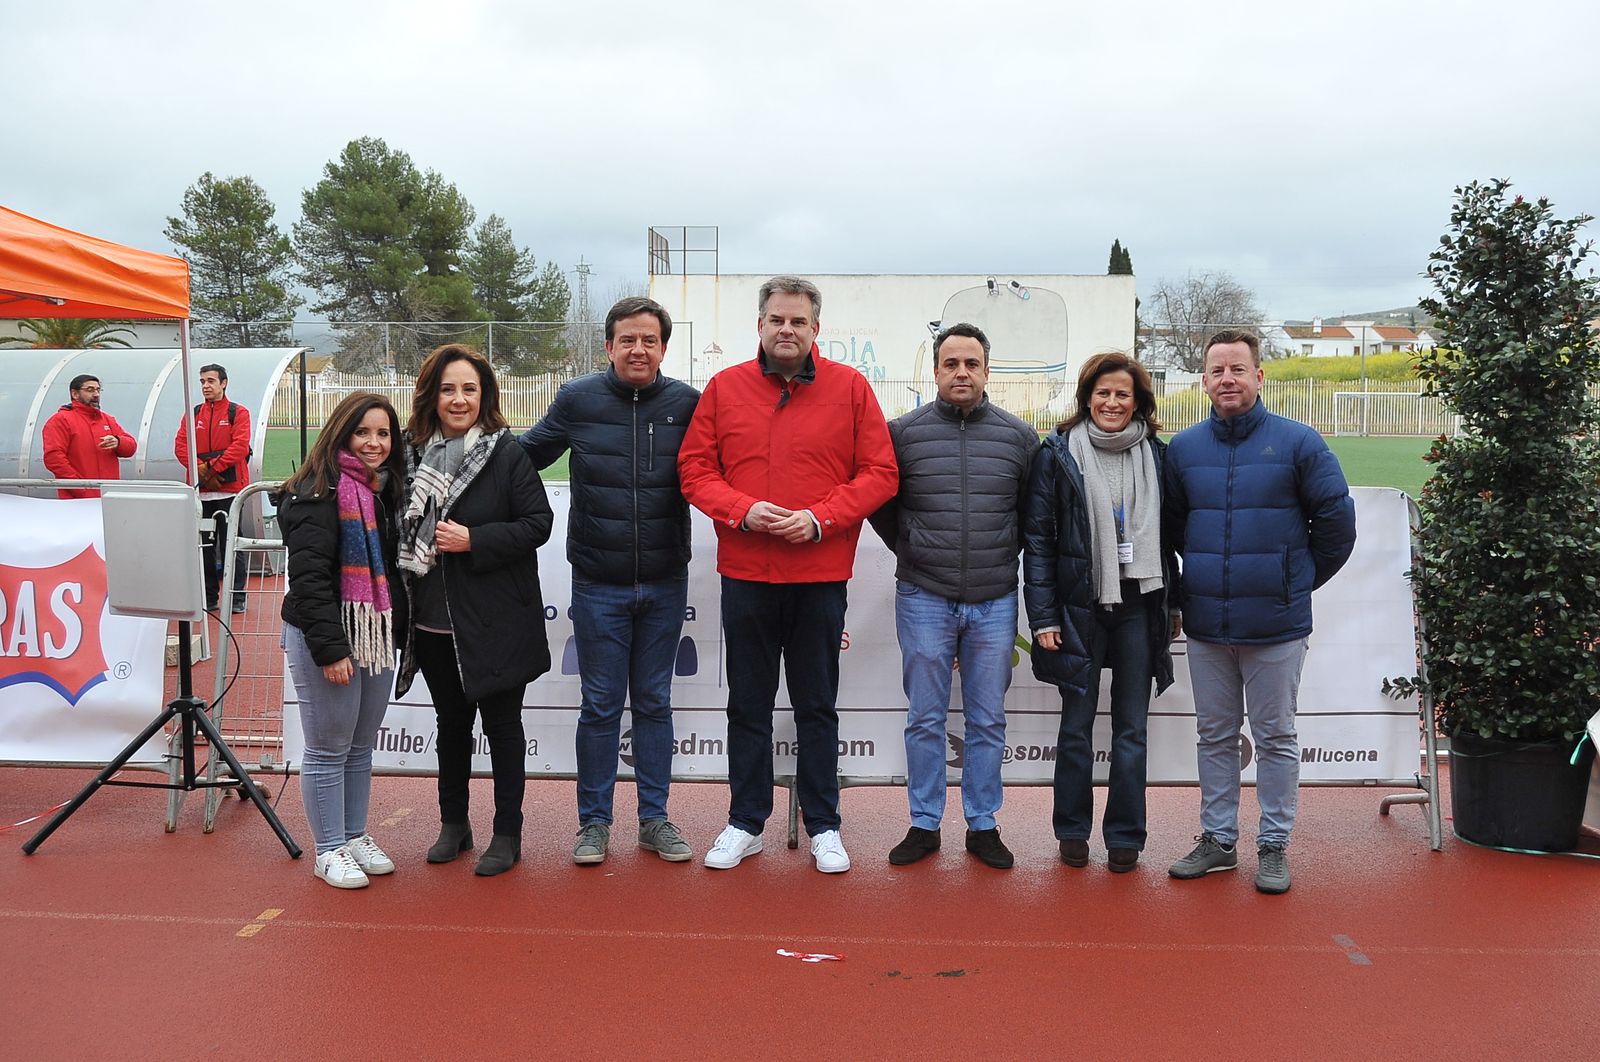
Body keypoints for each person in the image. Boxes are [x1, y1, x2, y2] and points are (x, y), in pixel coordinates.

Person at [679, 275, 898, 874]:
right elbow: (695, 469)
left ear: (815, 330)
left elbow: (880, 473)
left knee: (816, 706)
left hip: (819, 576)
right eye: (777, 319)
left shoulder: (851, 389)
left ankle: (824, 825)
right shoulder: (724, 389)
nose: (786, 330)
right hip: (746, 574)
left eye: (798, 322)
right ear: (759, 324)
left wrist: (821, 520)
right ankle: (746, 822)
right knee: (747, 704)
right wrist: (742, 509)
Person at [1163, 328, 1356, 894]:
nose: (1228, 379)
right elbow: (1172, 530)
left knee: (1275, 737)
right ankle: (1218, 841)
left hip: (1276, 626)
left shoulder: (1300, 442)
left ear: (1258, 376)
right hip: (1207, 627)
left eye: (1238, 369)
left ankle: (1273, 846)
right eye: (1217, 370)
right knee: (1214, 736)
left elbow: (1337, 527)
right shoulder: (1183, 449)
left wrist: (1290, 583)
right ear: (1203, 381)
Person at [518, 297, 701, 866]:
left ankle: (655, 820)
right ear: (608, 346)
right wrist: (462, 457)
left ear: (664, 348)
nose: (638, 349)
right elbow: (524, 457)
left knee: (654, 702)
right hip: (598, 584)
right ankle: (593, 823)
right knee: (599, 704)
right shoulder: (578, 399)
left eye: (649, 340)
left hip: (667, 582)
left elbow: (728, 469)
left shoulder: (689, 405)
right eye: (627, 340)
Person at [868, 323, 1038, 869]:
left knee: (988, 720)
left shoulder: (1018, 438)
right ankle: (924, 823)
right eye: (950, 364)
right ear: (935, 371)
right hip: (924, 596)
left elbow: (1031, 520)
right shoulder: (903, 434)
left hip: (994, 599)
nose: (961, 372)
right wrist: (914, 550)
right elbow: (882, 508)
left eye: (971, 364)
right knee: (925, 717)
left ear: (987, 371)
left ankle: (983, 825)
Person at [396, 344, 553, 877]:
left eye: (468, 389)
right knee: (451, 725)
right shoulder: (409, 453)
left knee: (504, 728)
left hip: (496, 621)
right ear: (431, 396)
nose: (458, 399)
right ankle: (453, 824)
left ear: (484, 395)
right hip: (433, 621)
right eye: (447, 389)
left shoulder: (506, 453)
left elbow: (539, 524)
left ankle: (507, 833)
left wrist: (475, 539)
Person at [1023, 351, 1179, 874]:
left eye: (1123, 394)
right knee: (1076, 727)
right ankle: (1071, 830)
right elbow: (1039, 543)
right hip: (1077, 609)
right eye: (1103, 392)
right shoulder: (1057, 453)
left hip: (1140, 604)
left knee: (1132, 729)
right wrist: (1043, 616)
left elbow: (1173, 538)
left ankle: (1125, 837)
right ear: (1087, 396)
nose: (1112, 402)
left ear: (1139, 401)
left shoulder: (1158, 455)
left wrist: (1172, 603)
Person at [277, 391, 409, 890]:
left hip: (374, 634)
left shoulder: (382, 489)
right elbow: (309, 580)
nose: (374, 443)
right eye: (363, 432)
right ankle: (328, 848)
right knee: (329, 747)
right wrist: (331, 650)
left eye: (383, 433)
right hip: (327, 634)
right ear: (341, 433)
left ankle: (354, 835)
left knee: (359, 746)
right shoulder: (314, 492)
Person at [175, 363, 253, 613]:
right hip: (202, 492)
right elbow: (180, 446)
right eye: (202, 381)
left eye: (210, 380)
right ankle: (209, 596)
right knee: (206, 547)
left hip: (231, 493)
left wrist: (212, 469)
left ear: (223, 383)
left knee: (232, 543)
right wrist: (200, 469)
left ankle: (237, 596)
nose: (206, 386)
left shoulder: (237, 412)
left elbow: (240, 447)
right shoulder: (193, 413)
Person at [41, 374, 136, 498]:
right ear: (75, 394)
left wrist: (119, 442)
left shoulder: (107, 420)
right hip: (77, 500)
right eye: (90, 390)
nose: (96, 394)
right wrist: (80, 488)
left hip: (107, 497)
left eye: (98, 390)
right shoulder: (60, 420)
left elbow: (131, 447)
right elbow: (54, 459)